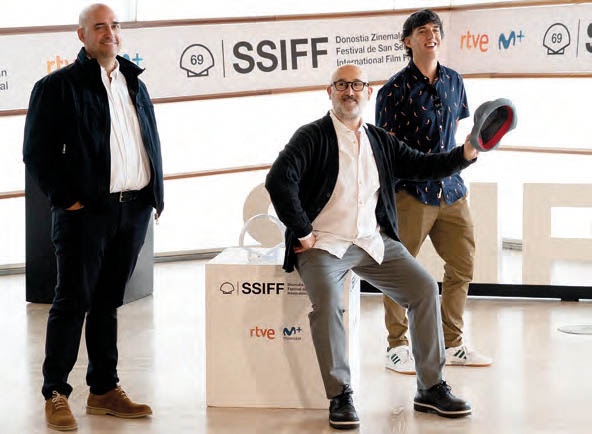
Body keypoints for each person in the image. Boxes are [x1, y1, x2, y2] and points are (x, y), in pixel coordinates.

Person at [266, 63, 476, 430]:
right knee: (328, 303)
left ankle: (430, 388)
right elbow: (279, 180)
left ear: (368, 92)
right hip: (323, 244)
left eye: (356, 85)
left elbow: (423, 166)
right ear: (329, 92)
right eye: (341, 85)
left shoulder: (380, 140)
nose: (349, 91)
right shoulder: (311, 136)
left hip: (371, 241)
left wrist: (466, 153)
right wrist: (302, 231)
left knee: (424, 289)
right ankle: (340, 394)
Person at [23, 3, 164, 431]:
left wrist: (153, 197)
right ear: (81, 35)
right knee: (72, 303)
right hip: (86, 214)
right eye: (99, 26)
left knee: (107, 303)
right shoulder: (56, 87)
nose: (110, 33)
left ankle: (103, 389)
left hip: (132, 210)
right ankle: (56, 392)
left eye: (115, 25)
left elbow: (147, 140)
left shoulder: (134, 83)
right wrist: (68, 201)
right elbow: (36, 153)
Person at [375, 9, 492, 375]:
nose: (431, 35)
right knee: (398, 269)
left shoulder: (455, 81)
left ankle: (453, 343)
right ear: (407, 41)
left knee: (462, 265)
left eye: (435, 29)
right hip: (411, 193)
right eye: (422, 30)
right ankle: (397, 346)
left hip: (452, 190)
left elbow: (453, 134)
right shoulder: (392, 90)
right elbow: (386, 148)